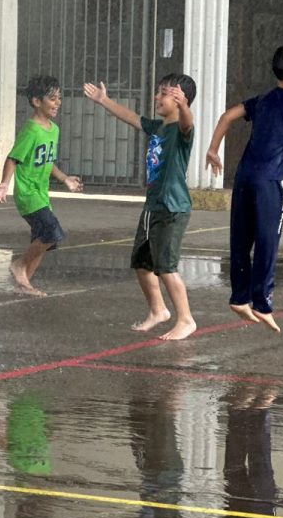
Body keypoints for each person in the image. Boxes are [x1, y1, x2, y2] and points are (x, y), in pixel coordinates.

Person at [204, 42, 283, 333]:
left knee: (241, 239)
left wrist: (213, 149)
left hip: (244, 177)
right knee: (267, 241)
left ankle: (239, 296)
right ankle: (262, 302)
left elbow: (228, 116)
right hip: (269, 182)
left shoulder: (264, 99)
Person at [83, 74, 198, 341]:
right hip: (152, 206)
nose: (157, 97)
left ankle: (186, 319)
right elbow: (132, 117)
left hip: (172, 207)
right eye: (158, 92)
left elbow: (187, 123)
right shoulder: (158, 127)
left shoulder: (181, 131)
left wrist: (184, 108)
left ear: (181, 99)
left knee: (166, 267)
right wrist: (104, 100)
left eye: (164, 93)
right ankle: (158, 311)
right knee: (142, 263)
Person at [0, 74, 84, 297]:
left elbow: (47, 161)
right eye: (52, 99)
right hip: (28, 193)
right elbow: (13, 158)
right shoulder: (31, 130)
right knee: (52, 232)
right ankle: (19, 265)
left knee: (41, 240)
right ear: (36, 102)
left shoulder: (53, 130)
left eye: (59, 98)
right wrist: (4, 184)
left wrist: (65, 179)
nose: (57, 103)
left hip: (41, 193)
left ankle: (25, 285)